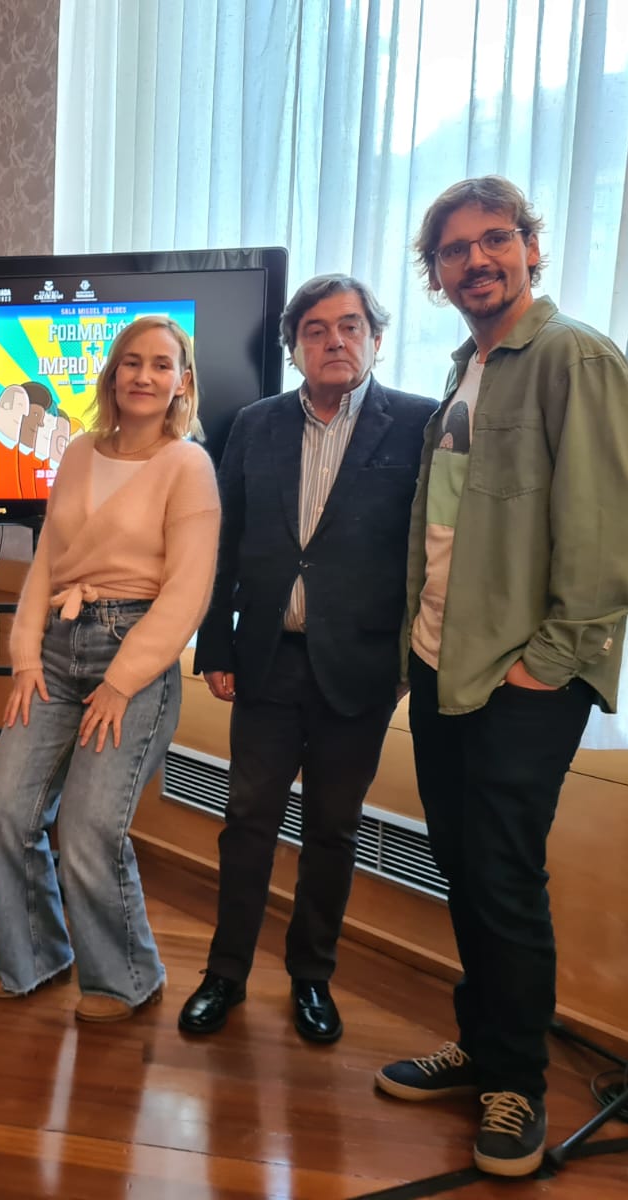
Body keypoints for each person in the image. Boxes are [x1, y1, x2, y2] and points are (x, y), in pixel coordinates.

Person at [375, 177, 628, 1178]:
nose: (476, 261)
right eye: (453, 250)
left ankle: (516, 1086)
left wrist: (548, 667)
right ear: (435, 273)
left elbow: (607, 539)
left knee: (502, 874)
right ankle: (482, 1045)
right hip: (444, 665)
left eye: (495, 239)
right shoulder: (468, 367)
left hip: (522, 679)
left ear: (532, 247)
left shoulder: (576, 357)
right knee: (463, 864)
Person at [179, 275, 435, 1044]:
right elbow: (223, 540)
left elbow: (428, 555)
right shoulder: (254, 424)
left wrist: (406, 662)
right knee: (246, 822)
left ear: (376, 339)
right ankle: (225, 973)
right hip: (266, 660)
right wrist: (215, 644)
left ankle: (312, 976)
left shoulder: (419, 424)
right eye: (316, 330)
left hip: (361, 671)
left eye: (350, 326)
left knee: (333, 830)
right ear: (294, 348)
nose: (335, 341)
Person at [0, 315, 221, 1022]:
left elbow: (188, 593)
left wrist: (120, 682)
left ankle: (126, 978)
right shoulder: (80, 452)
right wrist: (25, 654)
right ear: (112, 376)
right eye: (131, 362)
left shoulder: (189, 466)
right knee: (5, 812)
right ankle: (35, 958)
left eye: (161, 364)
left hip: (133, 660)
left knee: (88, 828)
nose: (144, 375)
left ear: (182, 382)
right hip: (56, 649)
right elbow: (48, 561)